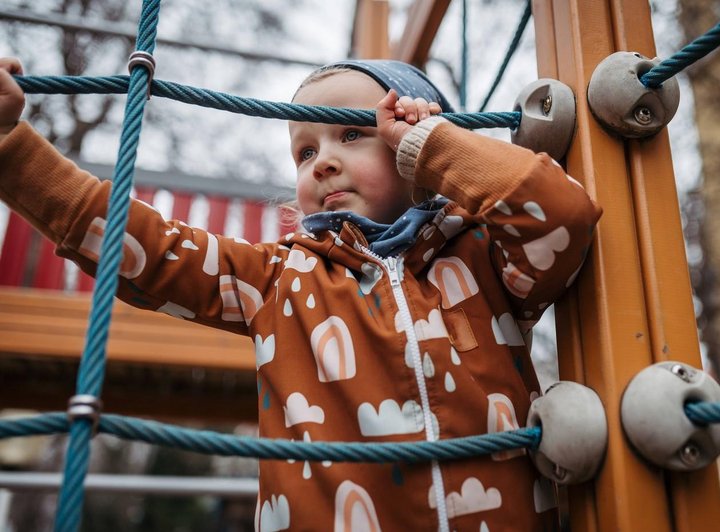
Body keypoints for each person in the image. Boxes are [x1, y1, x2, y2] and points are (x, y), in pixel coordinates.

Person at [0, 56, 601, 530]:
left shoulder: (485, 262)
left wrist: (435, 146)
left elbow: (563, 216)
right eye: (305, 150)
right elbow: (150, 251)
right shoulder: (279, 280)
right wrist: (12, 150)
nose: (322, 163)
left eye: (352, 134)